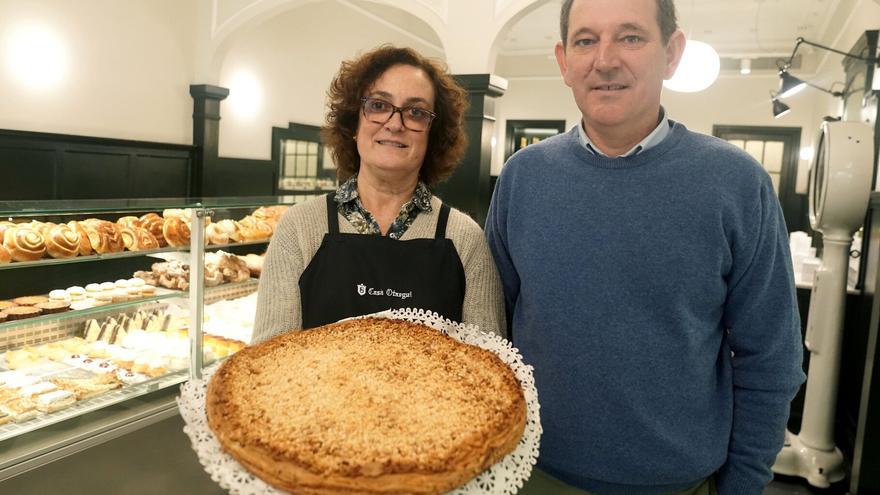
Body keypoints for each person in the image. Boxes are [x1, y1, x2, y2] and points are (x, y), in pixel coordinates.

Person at [485, 0, 805, 493]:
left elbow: (771, 356)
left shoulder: (737, 184)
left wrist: (743, 483)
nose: (605, 60)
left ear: (671, 53)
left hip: (678, 482)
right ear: (564, 61)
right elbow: (491, 331)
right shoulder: (522, 177)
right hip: (528, 471)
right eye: (586, 40)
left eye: (630, 37)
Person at [253, 45, 505, 343]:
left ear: (433, 134)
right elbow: (269, 358)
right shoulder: (299, 228)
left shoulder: (465, 239)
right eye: (378, 105)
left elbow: (486, 362)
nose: (395, 124)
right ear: (353, 123)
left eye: (416, 112)